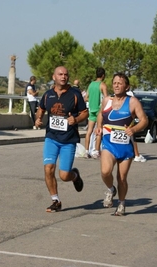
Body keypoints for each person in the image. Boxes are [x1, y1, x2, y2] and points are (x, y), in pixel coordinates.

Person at [34, 66, 89, 212]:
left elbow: (85, 113)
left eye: (66, 74)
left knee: (64, 175)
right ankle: (55, 200)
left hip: (68, 140)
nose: (63, 77)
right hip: (51, 138)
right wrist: (38, 119)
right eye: (60, 74)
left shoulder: (75, 94)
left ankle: (75, 175)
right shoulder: (48, 95)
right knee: (48, 169)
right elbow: (41, 109)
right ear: (54, 77)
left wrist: (75, 120)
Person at [95, 73, 148, 215]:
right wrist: (99, 126)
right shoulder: (107, 100)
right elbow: (101, 114)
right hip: (109, 143)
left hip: (125, 146)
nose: (116, 85)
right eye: (114, 83)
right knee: (105, 171)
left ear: (127, 86)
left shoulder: (132, 102)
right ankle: (111, 189)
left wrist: (134, 129)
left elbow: (144, 120)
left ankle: (121, 203)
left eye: (120, 83)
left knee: (122, 178)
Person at [84, 67, 108, 158]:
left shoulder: (91, 84)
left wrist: (92, 100)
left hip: (91, 110)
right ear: (103, 75)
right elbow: (106, 98)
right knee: (99, 131)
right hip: (99, 111)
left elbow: (86, 98)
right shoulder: (102, 85)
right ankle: (96, 151)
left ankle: (86, 151)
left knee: (89, 131)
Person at [126, 89, 146, 162]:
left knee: (131, 138)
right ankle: (137, 155)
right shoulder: (130, 95)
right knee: (132, 137)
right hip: (128, 120)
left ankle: (136, 154)